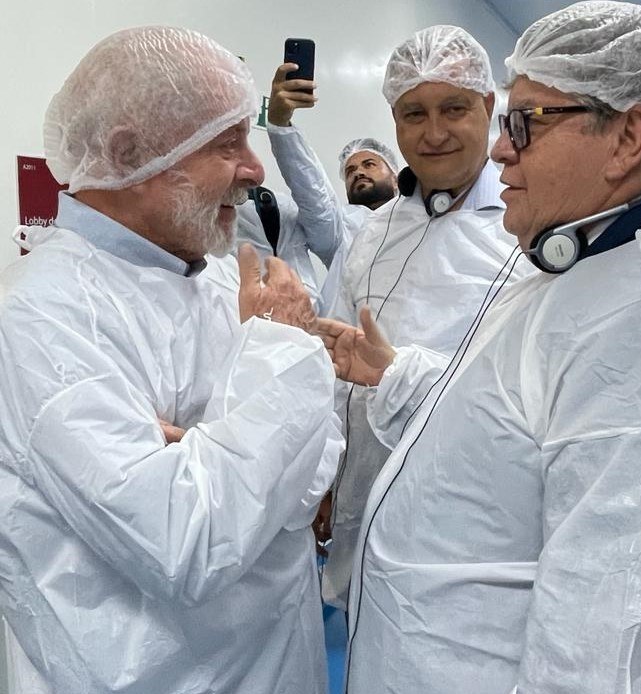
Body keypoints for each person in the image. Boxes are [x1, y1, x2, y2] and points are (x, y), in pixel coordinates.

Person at [317, 2, 641, 692]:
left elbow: (604, 633)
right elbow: (505, 419)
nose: (502, 148)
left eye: (526, 122)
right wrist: (397, 374)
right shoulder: (584, 262)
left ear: (628, 137)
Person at [0, 26, 343, 694]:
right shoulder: (43, 313)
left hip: (276, 663)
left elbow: (303, 489)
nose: (255, 168)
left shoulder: (217, 278)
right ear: (129, 151)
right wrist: (277, 357)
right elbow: (186, 542)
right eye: (227, 142)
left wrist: (211, 449)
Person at [320, 24, 531, 613]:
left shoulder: (528, 232)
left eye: (454, 108)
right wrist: (325, 480)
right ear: (394, 122)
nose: (434, 133)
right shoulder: (373, 233)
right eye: (414, 113)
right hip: (366, 495)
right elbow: (335, 372)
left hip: (479, 520)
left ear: (489, 107)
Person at [216, 65, 399, 315]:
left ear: (396, 178)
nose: (358, 172)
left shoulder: (424, 218)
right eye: (350, 171)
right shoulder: (344, 229)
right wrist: (280, 125)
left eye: (369, 164)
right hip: (342, 346)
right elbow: (316, 198)